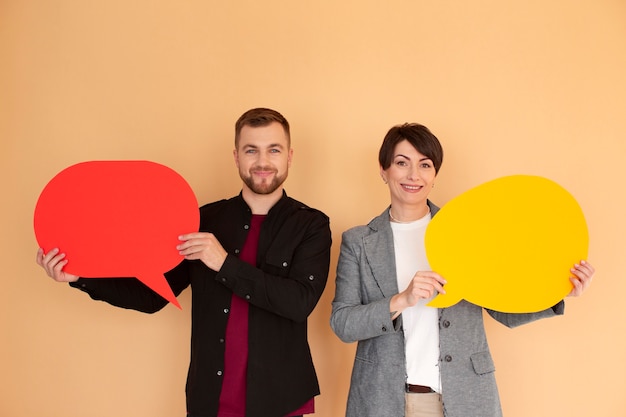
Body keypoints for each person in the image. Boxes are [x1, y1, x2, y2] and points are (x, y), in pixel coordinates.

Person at [36, 108, 332, 417]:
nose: (262, 162)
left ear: (289, 156)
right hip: (210, 400)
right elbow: (153, 296)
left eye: (274, 149)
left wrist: (223, 263)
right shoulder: (202, 220)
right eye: (251, 150)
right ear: (236, 157)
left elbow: (298, 303)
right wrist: (81, 277)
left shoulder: (311, 226)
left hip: (282, 401)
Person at [329, 123, 595, 417]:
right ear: (383, 170)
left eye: (425, 165)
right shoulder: (358, 241)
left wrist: (558, 290)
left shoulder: (470, 232)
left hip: (466, 397)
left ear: (435, 175)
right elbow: (343, 322)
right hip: (383, 399)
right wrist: (401, 299)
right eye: (402, 163)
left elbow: (501, 309)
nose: (413, 175)